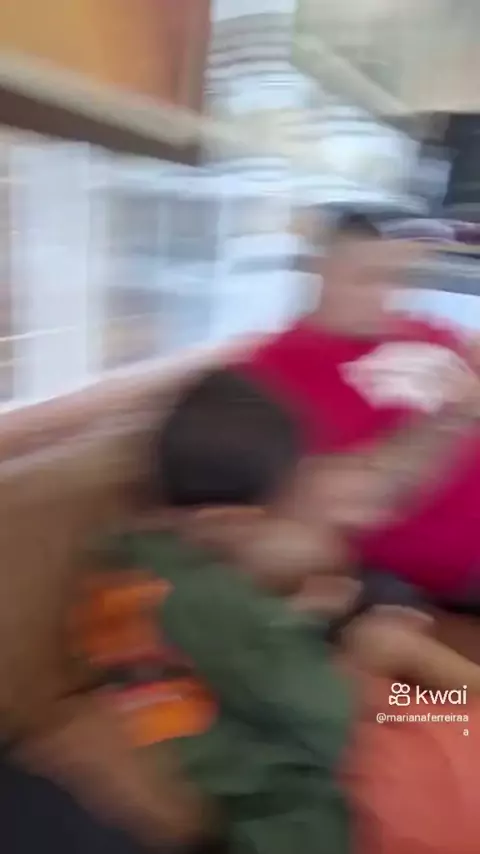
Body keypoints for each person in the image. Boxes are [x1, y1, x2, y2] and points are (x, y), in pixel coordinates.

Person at [60, 369, 479, 854]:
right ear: (229, 522)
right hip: (338, 812)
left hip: (315, 735)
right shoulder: (212, 604)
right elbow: (330, 717)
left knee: (440, 700)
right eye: (292, 511)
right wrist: (375, 655)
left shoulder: (133, 559)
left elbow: (227, 658)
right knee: (448, 707)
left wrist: (297, 614)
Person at [239, 211, 480, 605]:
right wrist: (452, 417)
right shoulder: (271, 373)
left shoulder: (422, 331)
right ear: (322, 272)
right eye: (367, 278)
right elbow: (352, 501)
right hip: (457, 557)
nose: (388, 296)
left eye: (399, 279)